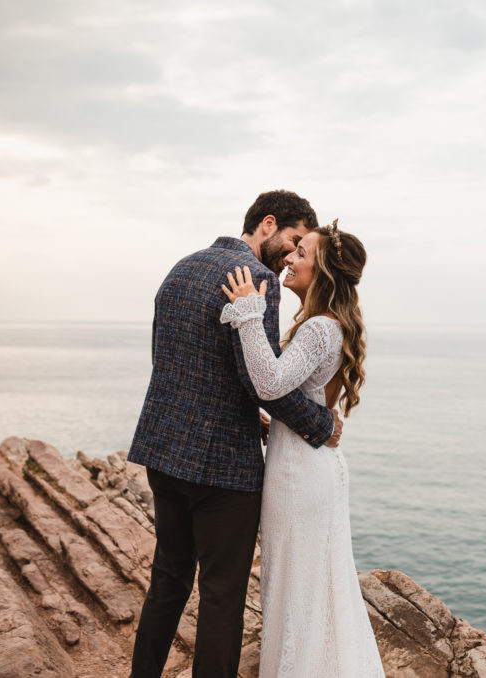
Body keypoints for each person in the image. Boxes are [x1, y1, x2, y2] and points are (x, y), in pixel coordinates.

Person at [127, 190, 343, 678]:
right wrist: (320, 424)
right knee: (222, 596)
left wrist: (247, 411)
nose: (291, 256)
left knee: (167, 581)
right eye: (291, 241)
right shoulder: (257, 280)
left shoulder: (181, 267)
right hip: (222, 469)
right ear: (267, 224)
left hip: (163, 452)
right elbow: (262, 382)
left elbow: (182, 362)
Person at [219, 220, 384, 678]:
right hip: (306, 464)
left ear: (324, 273)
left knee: (296, 588)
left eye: (301, 254)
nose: (288, 258)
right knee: (307, 586)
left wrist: (250, 312)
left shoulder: (318, 329)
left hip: (300, 477)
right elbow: (299, 396)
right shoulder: (324, 325)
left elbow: (269, 381)